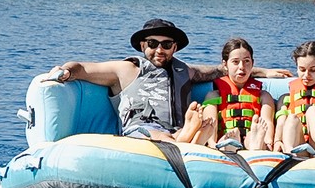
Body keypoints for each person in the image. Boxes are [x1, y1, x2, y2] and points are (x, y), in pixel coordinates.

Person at [49, 18, 220, 142]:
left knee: (179, 134)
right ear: (143, 45)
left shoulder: (184, 71)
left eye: (166, 45)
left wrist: (231, 69)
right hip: (141, 131)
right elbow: (83, 69)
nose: (160, 50)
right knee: (159, 136)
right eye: (153, 43)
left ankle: (186, 135)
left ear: (174, 47)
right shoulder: (128, 69)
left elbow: (210, 72)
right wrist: (66, 71)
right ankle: (186, 139)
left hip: (176, 130)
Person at [190, 37, 277, 150]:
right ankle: (232, 142)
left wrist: (269, 142)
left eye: (246, 61)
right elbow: (211, 123)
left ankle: (256, 142)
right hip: (224, 140)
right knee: (226, 136)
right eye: (235, 62)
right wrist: (212, 144)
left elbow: (268, 122)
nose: (242, 67)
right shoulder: (214, 95)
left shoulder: (263, 96)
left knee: (254, 135)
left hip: (251, 140)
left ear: (252, 63)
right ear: (225, 65)